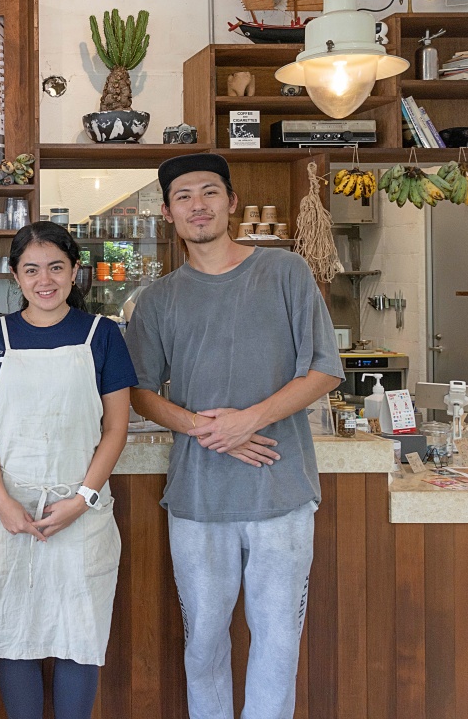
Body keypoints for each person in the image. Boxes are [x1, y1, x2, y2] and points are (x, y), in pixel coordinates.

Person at [125, 153, 343, 719]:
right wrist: (207, 428)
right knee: (203, 645)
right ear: (168, 213)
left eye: (209, 192)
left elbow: (324, 369)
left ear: (232, 203)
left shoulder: (285, 271)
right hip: (198, 497)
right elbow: (139, 391)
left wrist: (250, 419)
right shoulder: (158, 299)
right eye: (183, 197)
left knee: (278, 642)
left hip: (281, 490)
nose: (198, 205)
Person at [0, 221, 136, 719]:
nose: (45, 280)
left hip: (80, 509)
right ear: (15, 275)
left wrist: (82, 500)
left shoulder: (102, 334)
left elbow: (116, 428)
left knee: (78, 634)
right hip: (9, 510)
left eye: (56, 267)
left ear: (75, 270)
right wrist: (1, 500)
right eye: (32, 269)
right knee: (13, 632)